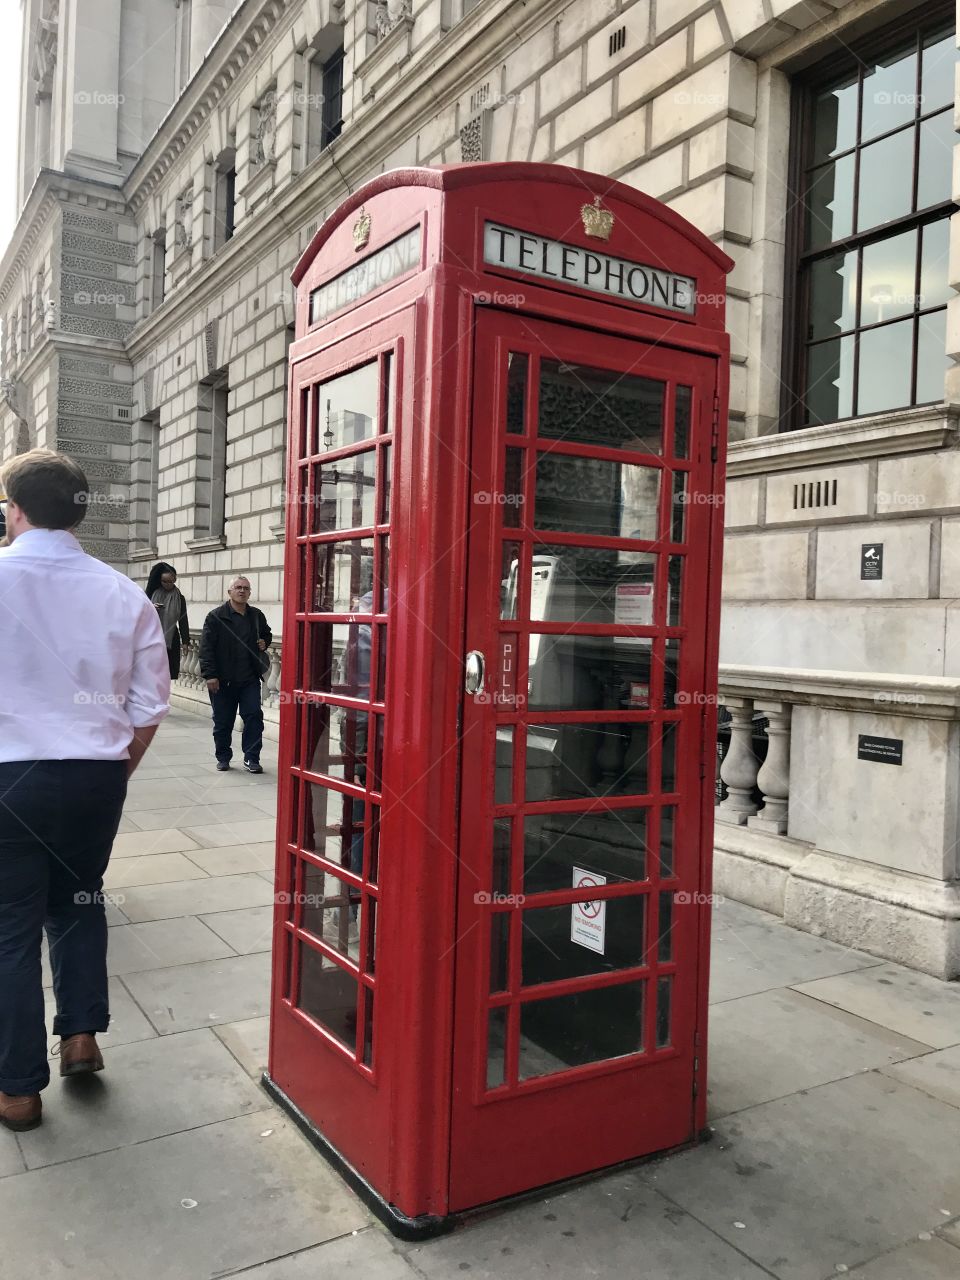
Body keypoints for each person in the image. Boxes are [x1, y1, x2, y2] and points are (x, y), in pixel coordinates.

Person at [0, 449, 170, 1132]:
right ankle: (80, 1037)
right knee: (79, 902)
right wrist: (113, 770)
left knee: (10, 929)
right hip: (93, 777)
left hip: (8, 778)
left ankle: (17, 1090)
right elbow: (150, 702)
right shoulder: (120, 591)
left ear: (15, 509)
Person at [198, 576, 273, 773]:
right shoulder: (215, 617)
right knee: (223, 721)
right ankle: (223, 757)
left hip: (249, 679)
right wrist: (210, 675)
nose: (242, 591)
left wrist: (265, 641)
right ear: (229, 592)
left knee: (254, 717)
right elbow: (206, 649)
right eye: (238, 587)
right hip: (222, 680)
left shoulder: (256, 615)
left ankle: (251, 757)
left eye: (246, 588)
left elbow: (267, 634)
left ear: (250, 592)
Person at [144, 561, 190, 679]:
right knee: (152, 675)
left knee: (167, 675)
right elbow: (140, 613)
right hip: (152, 637)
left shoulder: (179, 598)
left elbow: (183, 620)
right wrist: (151, 608)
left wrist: (185, 641)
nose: (168, 584)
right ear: (160, 580)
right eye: (165, 581)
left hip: (171, 640)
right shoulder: (151, 594)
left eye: (171, 581)